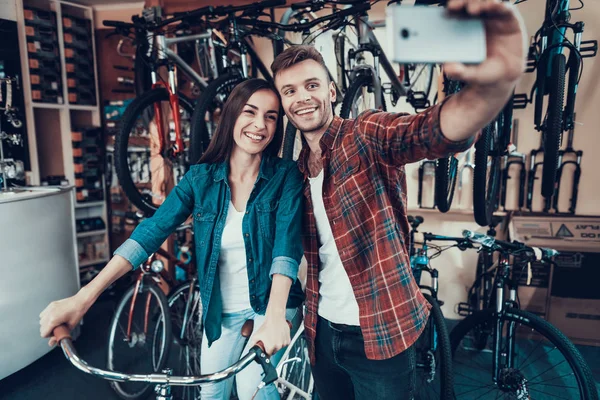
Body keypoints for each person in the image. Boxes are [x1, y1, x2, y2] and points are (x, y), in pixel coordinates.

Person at [270, 0, 527, 399]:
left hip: (382, 333)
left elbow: (428, 132)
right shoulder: (298, 169)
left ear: (332, 91)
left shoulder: (365, 133)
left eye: (311, 85)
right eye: (289, 91)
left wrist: (490, 89)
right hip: (321, 332)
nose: (301, 97)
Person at [39, 78, 305, 400]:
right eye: (250, 112)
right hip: (221, 312)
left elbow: (285, 249)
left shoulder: (286, 175)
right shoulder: (200, 179)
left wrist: (275, 317)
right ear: (233, 115)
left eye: (271, 116)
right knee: (210, 392)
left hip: (272, 305)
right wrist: (83, 298)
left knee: (254, 389)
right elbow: (152, 231)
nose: (259, 125)